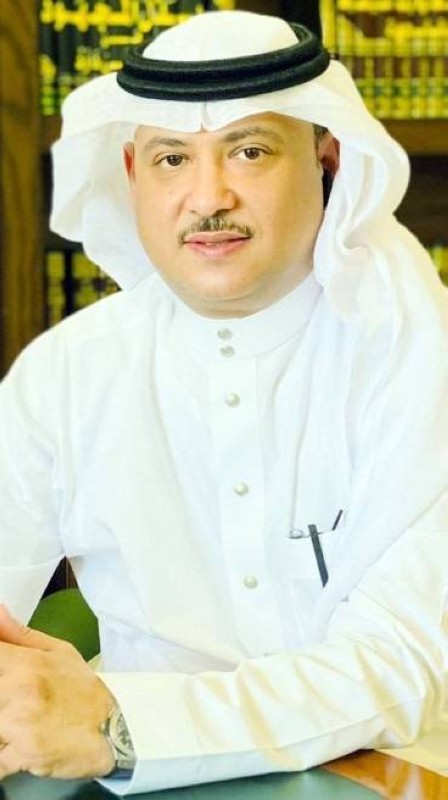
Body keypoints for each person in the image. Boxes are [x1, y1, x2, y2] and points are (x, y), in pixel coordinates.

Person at [0, 9, 447, 795]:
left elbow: (398, 665)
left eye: (250, 150)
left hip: (398, 772)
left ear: (328, 159)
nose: (208, 197)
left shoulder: (419, 359)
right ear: (132, 173)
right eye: (172, 158)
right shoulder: (64, 373)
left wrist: (120, 725)